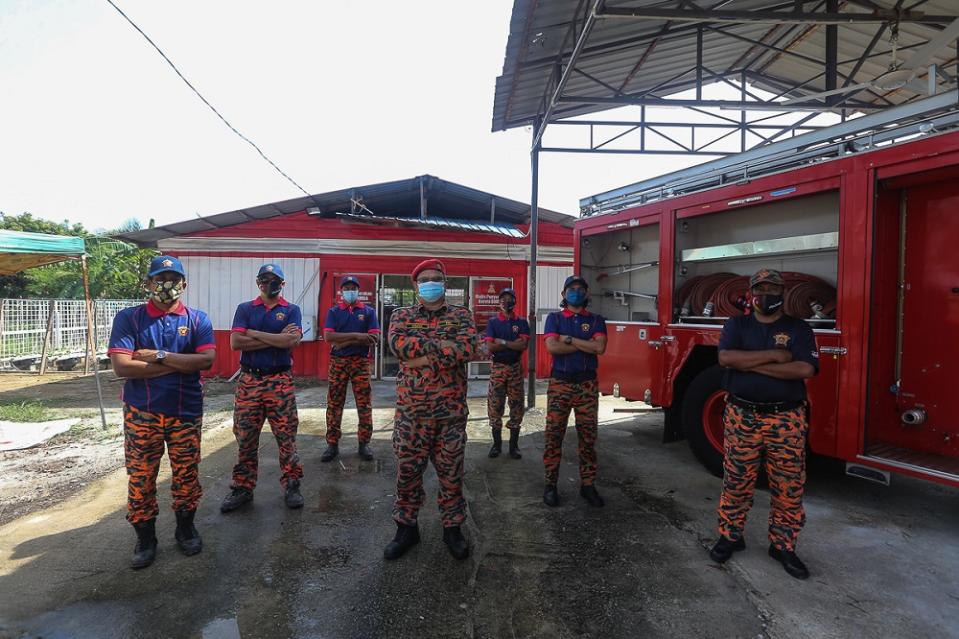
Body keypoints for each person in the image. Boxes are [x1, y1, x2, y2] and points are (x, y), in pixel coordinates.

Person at [709, 268, 819, 580]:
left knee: (788, 484)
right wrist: (775, 357)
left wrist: (752, 366)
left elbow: (804, 369)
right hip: (741, 415)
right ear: (751, 292)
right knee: (736, 479)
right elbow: (727, 359)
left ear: (782, 294)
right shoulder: (737, 324)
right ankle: (731, 536)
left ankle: (782, 545)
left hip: (786, 418)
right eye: (760, 289)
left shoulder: (798, 328)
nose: (765, 295)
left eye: (772, 289)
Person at [108, 255, 216, 569]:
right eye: (159, 278)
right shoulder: (129, 318)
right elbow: (122, 366)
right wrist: (178, 366)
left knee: (187, 474)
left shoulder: (198, 319)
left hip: (185, 411)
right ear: (148, 283)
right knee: (141, 478)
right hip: (142, 413)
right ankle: (145, 537)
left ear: (184, 284)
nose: (166, 284)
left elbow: (206, 361)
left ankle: (185, 528)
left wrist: (157, 356)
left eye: (172, 278)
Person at [383, 258, 476, 560]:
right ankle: (406, 528)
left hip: (450, 415)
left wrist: (422, 359)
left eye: (437, 278)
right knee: (407, 473)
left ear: (445, 283)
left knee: (452, 475)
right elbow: (398, 345)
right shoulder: (401, 314)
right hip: (412, 414)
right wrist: (444, 349)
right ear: (415, 285)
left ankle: (453, 529)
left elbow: (468, 348)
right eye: (425, 279)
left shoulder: (462, 315)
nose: (431, 282)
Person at [220, 263, 304, 513]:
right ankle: (243, 487)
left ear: (283, 284)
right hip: (249, 382)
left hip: (280, 381)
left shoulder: (292, 310)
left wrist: (254, 334)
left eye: (274, 279)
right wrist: (276, 339)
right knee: (245, 438)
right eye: (264, 279)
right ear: (258, 282)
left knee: (286, 436)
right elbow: (236, 342)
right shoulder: (245, 309)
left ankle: (292, 484)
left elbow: (292, 340)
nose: (270, 283)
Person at [542, 275, 607, 508]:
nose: (576, 292)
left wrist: (568, 339)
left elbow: (599, 347)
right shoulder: (554, 318)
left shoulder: (597, 320)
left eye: (581, 289)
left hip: (587, 386)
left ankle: (587, 485)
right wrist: (583, 343)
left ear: (587, 294)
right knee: (554, 436)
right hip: (560, 385)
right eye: (572, 289)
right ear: (563, 294)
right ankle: (550, 485)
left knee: (588, 438)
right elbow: (552, 347)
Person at [321, 275, 380, 462]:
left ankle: (364, 443)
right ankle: (332, 444)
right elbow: (328, 338)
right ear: (341, 291)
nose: (350, 291)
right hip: (338, 362)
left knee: (364, 404)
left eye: (353, 288)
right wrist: (358, 336)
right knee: (334, 403)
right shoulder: (334, 312)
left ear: (358, 290)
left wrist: (344, 340)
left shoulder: (369, 312)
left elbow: (374, 339)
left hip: (361, 363)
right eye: (346, 288)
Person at [483, 287, 529, 459]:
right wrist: (511, 342)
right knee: (495, 405)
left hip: (515, 368)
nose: (506, 302)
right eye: (503, 299)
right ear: (499, 302)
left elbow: (522, 345)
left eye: (509, 298)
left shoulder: (522, 322)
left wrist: (501, 341)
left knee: (517, 405)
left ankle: (513, 446)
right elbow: (490, 347)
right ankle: (496, 445)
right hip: (498, 368)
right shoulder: (493, 322)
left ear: (514, 301)